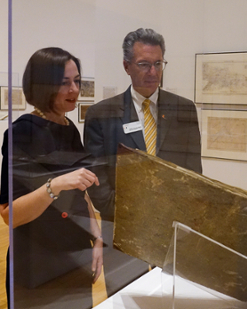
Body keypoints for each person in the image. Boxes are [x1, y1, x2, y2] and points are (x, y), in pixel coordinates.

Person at [84, 28, 202, 296]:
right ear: (127, 66)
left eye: (158, 64)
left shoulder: (183, 109)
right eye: (144, 64)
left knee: (175, 297)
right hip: (123, 230)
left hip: (174, 229)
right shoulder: (102, 114)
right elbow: (97, 181)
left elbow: (194, 173)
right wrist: (133, 214)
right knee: (126, 298)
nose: (153, 72)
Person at [0, 47, 103, 309]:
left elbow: (81, 192)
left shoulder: (69, 129)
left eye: (77, 81)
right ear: (42, 86)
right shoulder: (22, 132)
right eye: (64, 82)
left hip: (76, 254)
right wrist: (55, 185)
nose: (74, 90)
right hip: (38, 262)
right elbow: (9, 214)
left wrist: (97, 238)